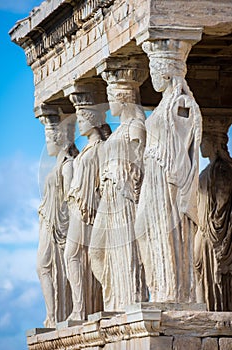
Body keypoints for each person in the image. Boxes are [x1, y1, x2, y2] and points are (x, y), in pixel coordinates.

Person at [135, 39, 202, 303]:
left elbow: (186, 143)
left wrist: (177, 181)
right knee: (143, 228)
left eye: (154, 70)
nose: (152, 77)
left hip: (166, 177)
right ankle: (160, 288)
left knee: (164, 229)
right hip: (153, 175)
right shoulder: (165, 104)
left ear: (165, 70)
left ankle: (171, 291)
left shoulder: (181, 103)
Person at [89, 85, 148, 311]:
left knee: (124, 247)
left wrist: (133, 187)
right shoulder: (119, 130)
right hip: (109, 194)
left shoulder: (134, 126)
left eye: (111, 98)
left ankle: (128, 298)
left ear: (122, 99)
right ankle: (114, 295)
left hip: (124, 194)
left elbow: (142, 160)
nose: (109, 103)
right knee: (97, 249)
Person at [64, 106, 111, 321]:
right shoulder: (86, 149)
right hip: (79, 207)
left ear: (92, 121)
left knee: (74, 254)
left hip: (90, 209)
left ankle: (82, 309)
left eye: (83, 118)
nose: (80, 123)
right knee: (78, 256)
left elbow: (104, 179)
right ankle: (83, 307)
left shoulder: (101, 148)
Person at [37, 114, 78, 328]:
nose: (47, 145)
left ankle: (55, 316)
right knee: (43, 268)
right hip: (47, 221)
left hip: (58, 226)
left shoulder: (68, 166)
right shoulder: (58, 166)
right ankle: (52, 315)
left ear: (59, 139)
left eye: (49, 140)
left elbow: (71, 198)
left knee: (44, 266)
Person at [195, 117, 232, 311]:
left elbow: (222, 204)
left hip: (214, 232)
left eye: (204, 141)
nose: (201, 145)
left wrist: (211, 227)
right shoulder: (207, 170)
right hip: (204, 230)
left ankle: (217, 310)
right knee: (200, 270)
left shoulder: (222, 169)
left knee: (213, 275)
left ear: (215, 144)